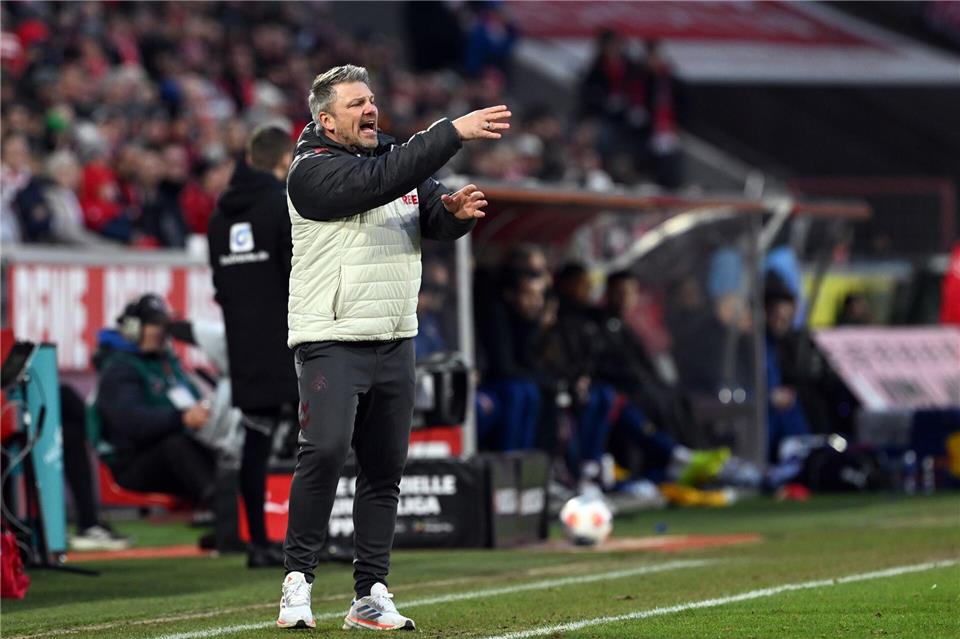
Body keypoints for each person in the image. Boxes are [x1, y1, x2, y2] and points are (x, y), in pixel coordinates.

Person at [277, 64, 510, 631]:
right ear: (325, 120)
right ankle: (297, 582)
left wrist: (450, 215)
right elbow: (376, 184)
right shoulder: (310, 171)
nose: (369, 109)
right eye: (355, 103)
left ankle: (370, 593)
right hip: (332, 338)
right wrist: (450, 132)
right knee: (326, 451)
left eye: (372, 99)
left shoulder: (393, 157)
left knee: (384, 469)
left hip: (394, 338)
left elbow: (422, 210)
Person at [207, 124, 299, 569]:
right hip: (289, 338)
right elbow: (296, 272)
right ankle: (315, 538)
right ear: (283, 161)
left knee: (256, 439)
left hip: (245, 344)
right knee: (320, 438)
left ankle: (259, 543)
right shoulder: (280, 203)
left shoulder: (219, 216)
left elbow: (220, 286)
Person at [94, 294, 216, 503]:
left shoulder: (168, 364)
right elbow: (132, 423)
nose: (163, 332)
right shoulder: (119, 369)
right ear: (133, 329)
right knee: (177, 446)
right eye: (156, 325)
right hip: (133, 462)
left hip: (174, 454)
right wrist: (182, 419)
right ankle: (224, 513)